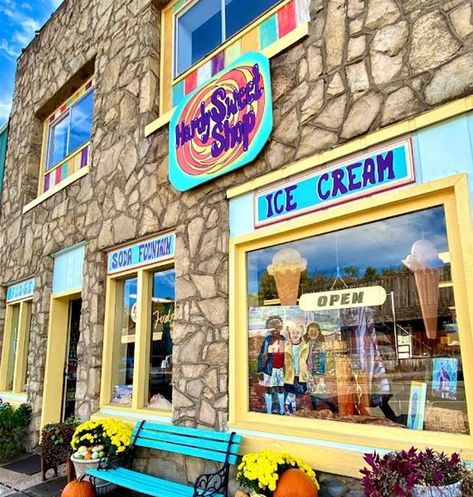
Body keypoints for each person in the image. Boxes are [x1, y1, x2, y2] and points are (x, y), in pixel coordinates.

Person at [257, 316, 286, 415]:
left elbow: (286, 354)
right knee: (268, 388)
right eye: (272, 326)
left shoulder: (283, 339)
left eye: (278, 326)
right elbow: (262, 355)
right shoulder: (267, 340)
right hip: (269, 369)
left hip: (280, 368)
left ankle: (282, 409)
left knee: (280, 388)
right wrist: (260, 370)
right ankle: (269, 411)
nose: (275, 328)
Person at [283, 320, 309, 413]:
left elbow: (308, 360)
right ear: (289, 334)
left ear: (301, 334)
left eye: (298, 333)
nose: (295, 335)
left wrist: (308, 372)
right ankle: (287, 406)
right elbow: (284, 361)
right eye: (293, 333)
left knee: (295, 392)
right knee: (291, 392)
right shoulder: (286, 347)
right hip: (290, 374)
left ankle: (291, 409)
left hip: (300, 373)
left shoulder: (305, 346)